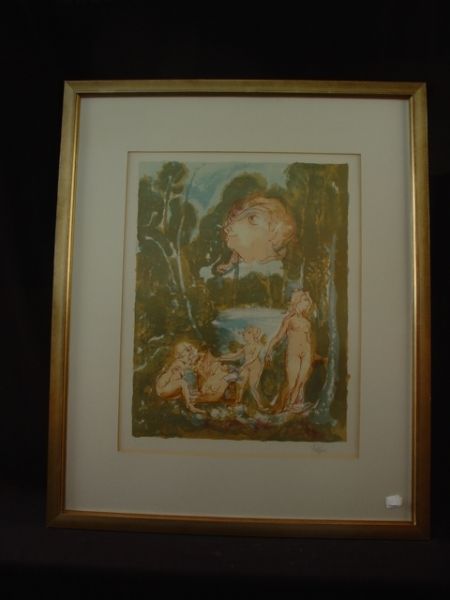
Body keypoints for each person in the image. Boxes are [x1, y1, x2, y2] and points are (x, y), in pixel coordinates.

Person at [216, 193, 296, 273]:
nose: (227, 228)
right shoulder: (244, 255)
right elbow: (236, 255)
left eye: (252, 218)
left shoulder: (272, 268)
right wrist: (229, 266)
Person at [265, 290, 314, 413]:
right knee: (291, 383)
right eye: (304, 301)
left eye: (307, 302)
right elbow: (278, 336)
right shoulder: (289, 319)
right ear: (297, 302)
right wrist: (269, 351)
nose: (306, 304)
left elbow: (308, 340)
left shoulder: (307, 322)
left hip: (306, 353)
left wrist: (313, 355)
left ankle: (291, 405)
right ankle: (283, 405)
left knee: (300, 382)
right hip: (293, 353)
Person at [220, 326, 265, 409]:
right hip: (246, 367)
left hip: (255, 367)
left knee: (252, 387)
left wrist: (243, 366)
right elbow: (235, 356)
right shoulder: (246, 346)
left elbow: (253, 358)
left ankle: (260, 405)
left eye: (245, 335)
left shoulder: (258, 346)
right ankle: (237, 402)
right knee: (240, 384)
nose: (244, 336)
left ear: (251, 335)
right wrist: (222, 357)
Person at [155, 342, 204, 414]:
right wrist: (196, 357)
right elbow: (189, 367)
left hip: (167, 388)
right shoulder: (178, 363)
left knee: (186, 383)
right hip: (162, 388)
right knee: (183, 382)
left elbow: (191, 365)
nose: (189, 355)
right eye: (187, 352)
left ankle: (191, 399)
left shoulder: (183, 363)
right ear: (180, 356)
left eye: (189, 352)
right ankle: (189, 405)